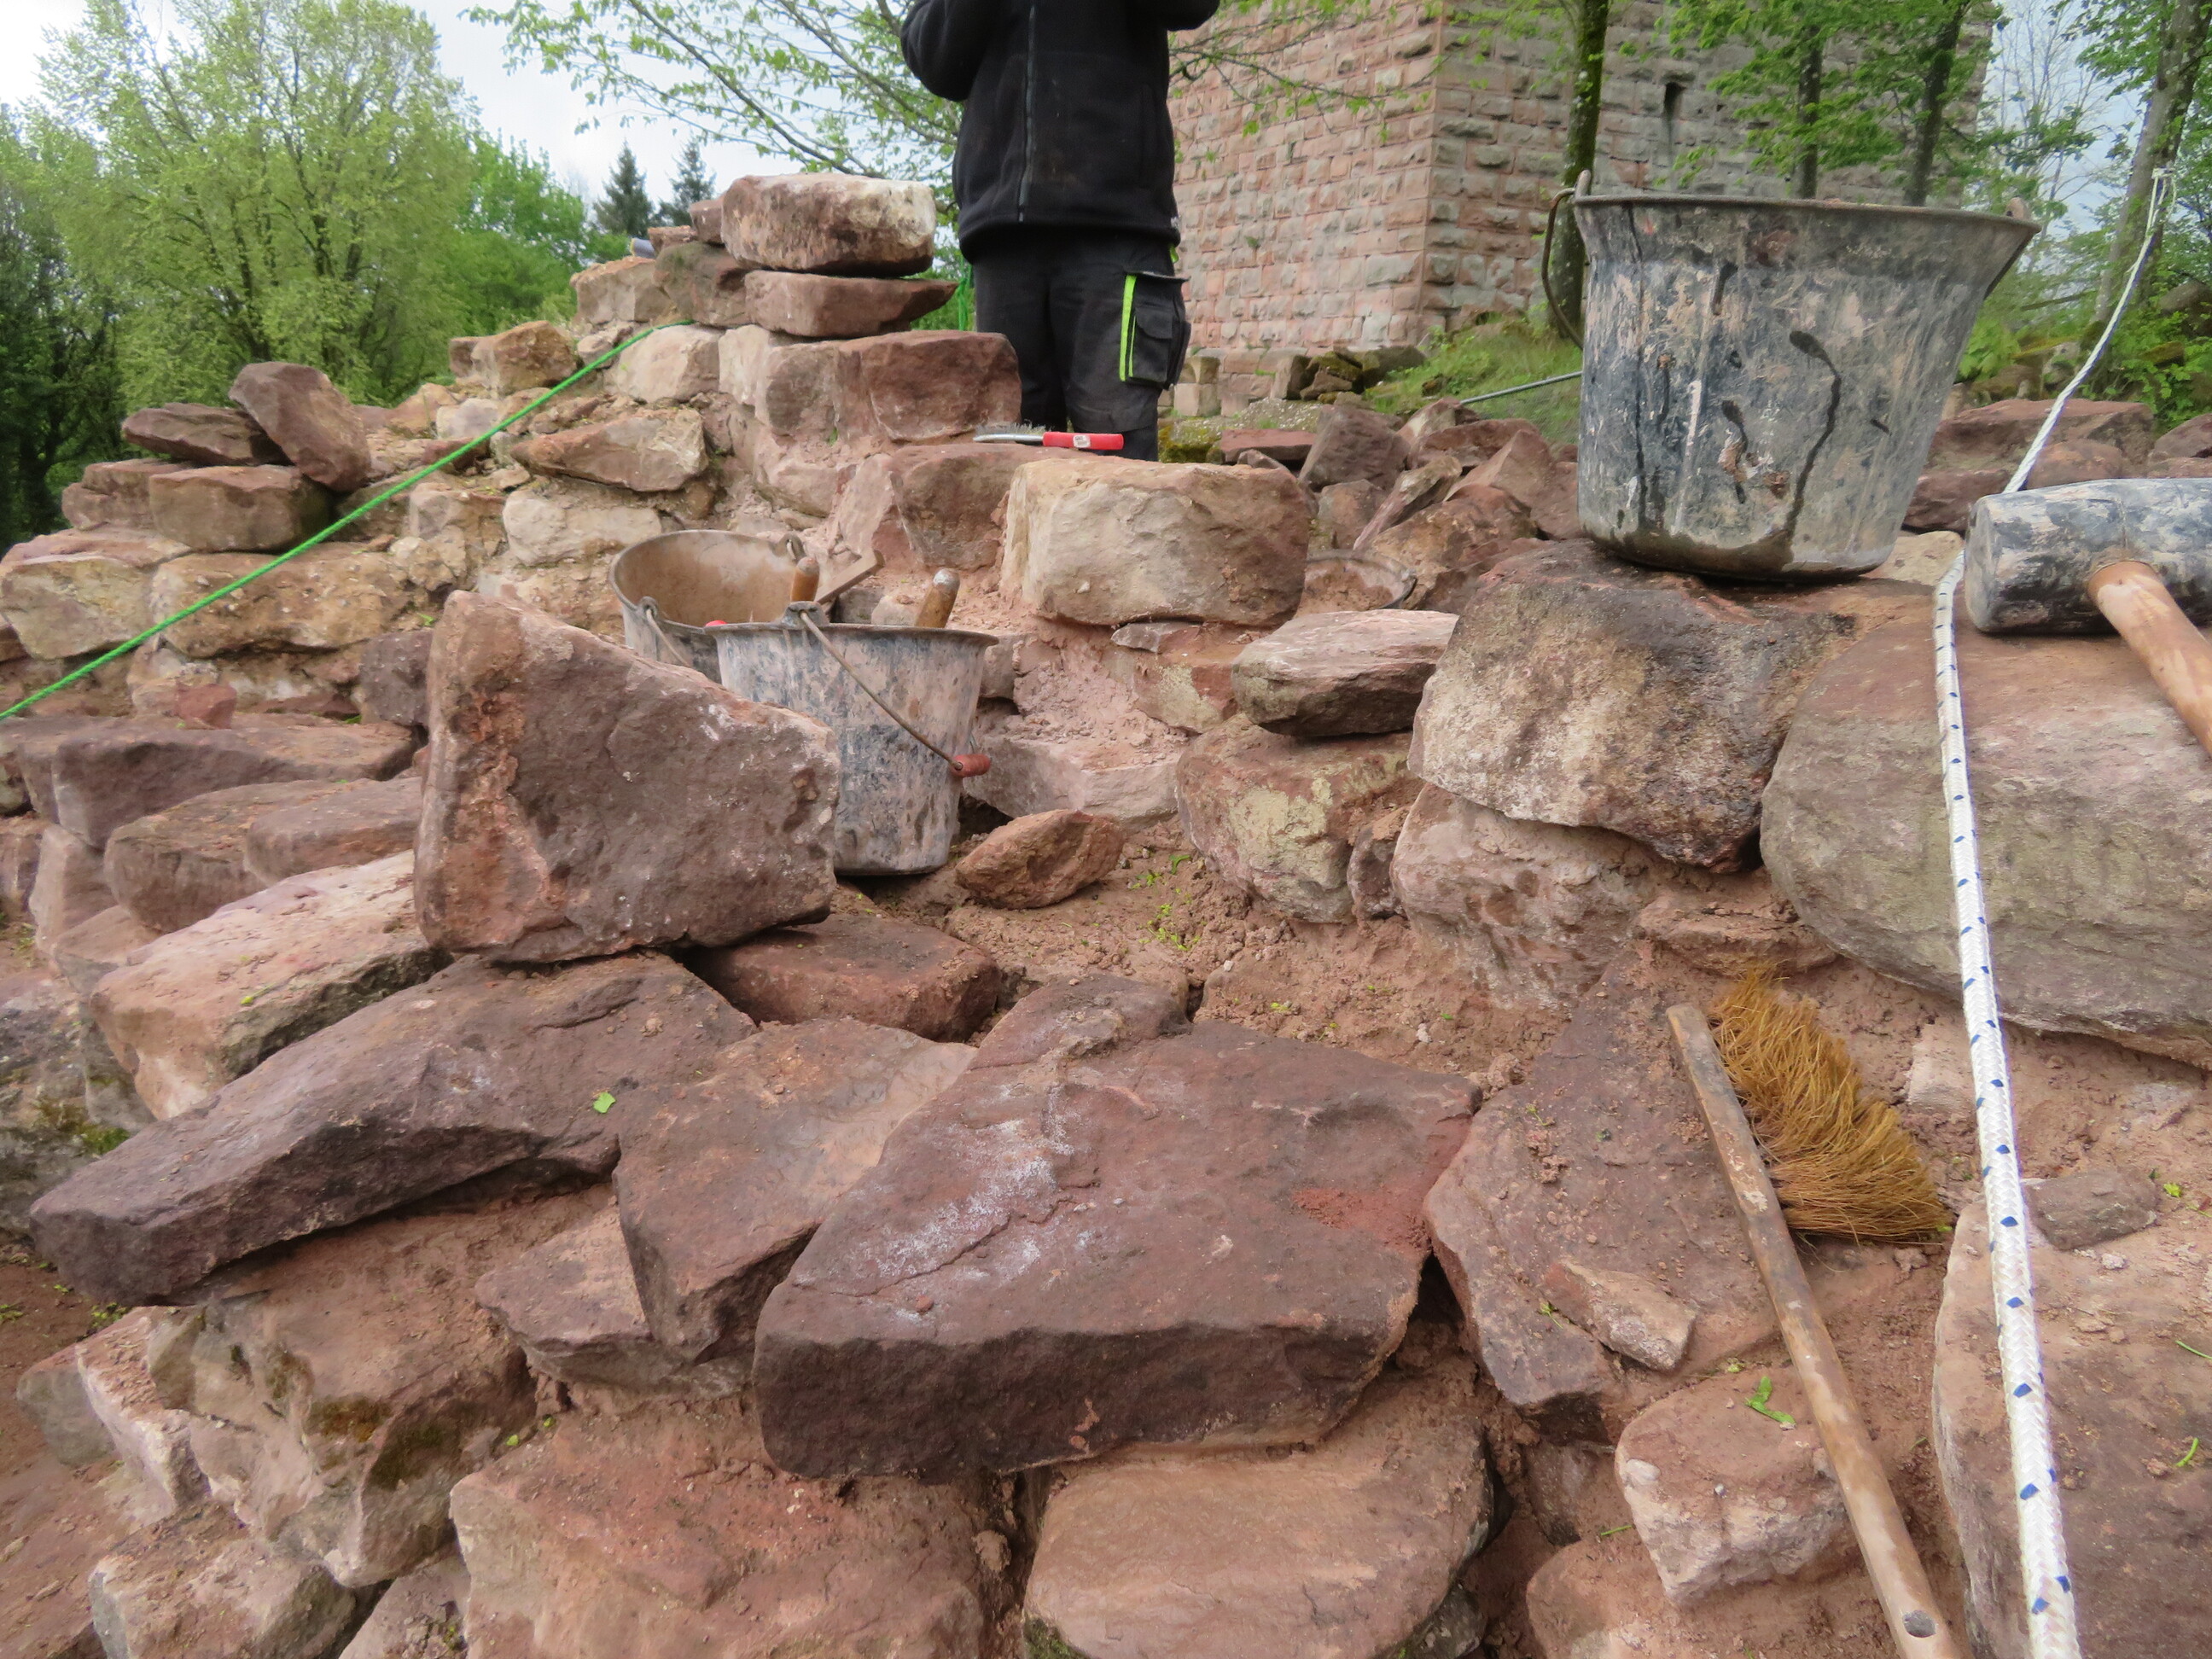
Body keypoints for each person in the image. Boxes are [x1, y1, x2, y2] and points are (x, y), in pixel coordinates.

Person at [900, 0, 1218, 460]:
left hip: (1118, 231)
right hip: (1004, 239)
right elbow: (935, 62)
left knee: (1120, 460)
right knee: (1010, 454)